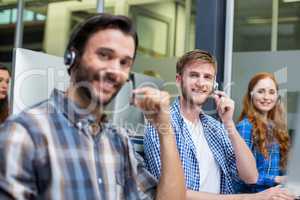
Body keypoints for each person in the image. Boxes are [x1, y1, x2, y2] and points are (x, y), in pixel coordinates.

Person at [0, 14, 185, 200]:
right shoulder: (25, 133)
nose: (115, 71)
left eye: (124, 63)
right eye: (104, 55)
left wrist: (165, 128)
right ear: (72, 57)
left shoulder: (118, 141)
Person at [144, 49, 295, 200]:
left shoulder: (216, 127)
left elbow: (251, 176)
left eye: (207, 77)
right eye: (194, 75)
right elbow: (174, 195)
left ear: (214, 85)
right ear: (179, 80)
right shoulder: (160, 124)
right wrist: (252, 198)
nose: (201, 83)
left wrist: (228, 123)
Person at [236, 72, 290, 193]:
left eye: (271, 92)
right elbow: (240, 174)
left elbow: (278, 169)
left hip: (274, 194)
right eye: (261, 91)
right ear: (251, 94)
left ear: (277, 96)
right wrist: (277, 179)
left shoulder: (275, 128)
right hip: (253, 196)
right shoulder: (245, 126)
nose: (266, 97)